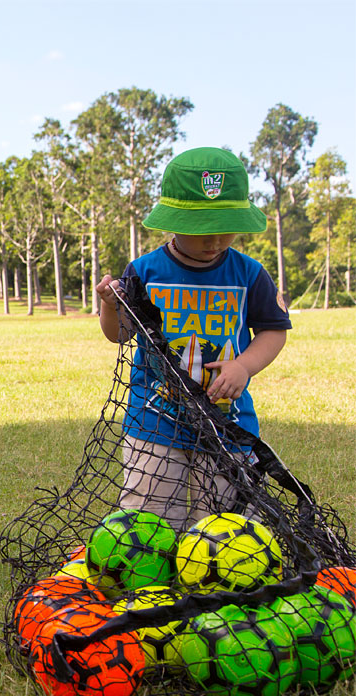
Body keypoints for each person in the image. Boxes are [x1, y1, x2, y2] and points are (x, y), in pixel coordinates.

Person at [96, 147, 291, 530]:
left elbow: (273, 330)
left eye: (225, 227)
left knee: (224, 528)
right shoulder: (145, 271)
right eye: (201, 228)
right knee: (149, 526)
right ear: (173, 221)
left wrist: (243, 366)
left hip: (227, 423)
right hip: (154, 421)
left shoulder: (249, 273)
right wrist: (110, 306)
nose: (214, 239)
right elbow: (119, 335)